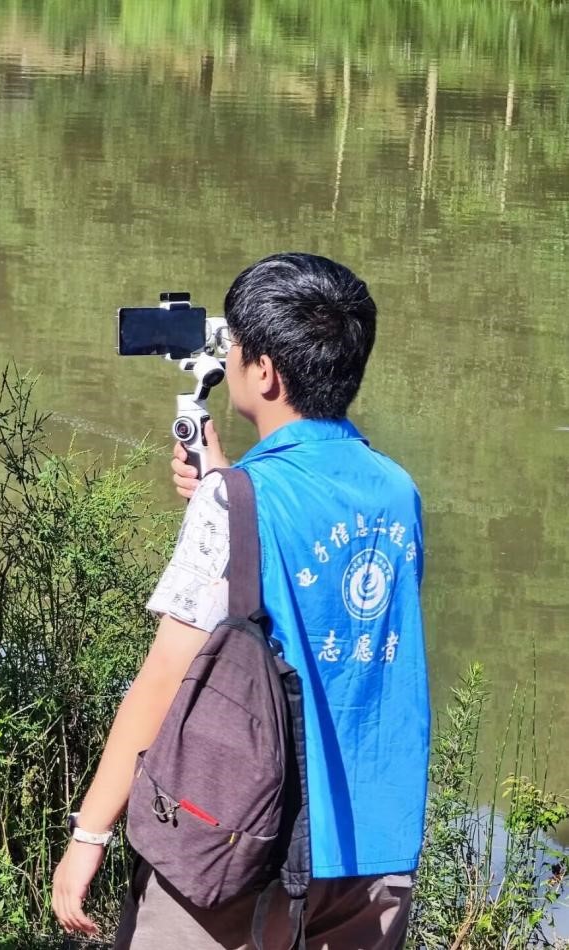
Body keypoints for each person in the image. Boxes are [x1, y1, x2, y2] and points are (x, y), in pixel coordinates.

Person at [51, 253, 429, 948]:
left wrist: (89, 834)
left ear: (265, 374)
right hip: (374, 847)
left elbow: (163, 678)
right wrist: (228, 489)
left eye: (237, 346)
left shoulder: (235, 503)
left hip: (248, 843)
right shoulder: (397, 490)